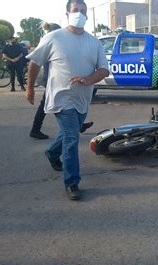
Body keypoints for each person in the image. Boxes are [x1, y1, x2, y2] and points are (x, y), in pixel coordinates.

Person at [25, 0, 110, 200]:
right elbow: (35, 62)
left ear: (87, 15)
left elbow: (104, 69)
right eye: (75, 10)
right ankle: (72, 182)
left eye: (83, 11)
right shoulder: (53, 37)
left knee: (68, 132)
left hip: (83, 98)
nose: (79, 14)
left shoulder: (93, 42)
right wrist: (29, 89)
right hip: (60, 97)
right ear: (67, 14)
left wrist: (88, 79)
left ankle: (52, 153)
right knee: (72, 137)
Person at [28, 22, 94, 140]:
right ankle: (35, 129)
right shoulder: (51, 42)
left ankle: (77, 126)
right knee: (50, 106)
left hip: (53, 81)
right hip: (52, 81)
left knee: (53, 106)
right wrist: (30, 88)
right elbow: (35, 63)